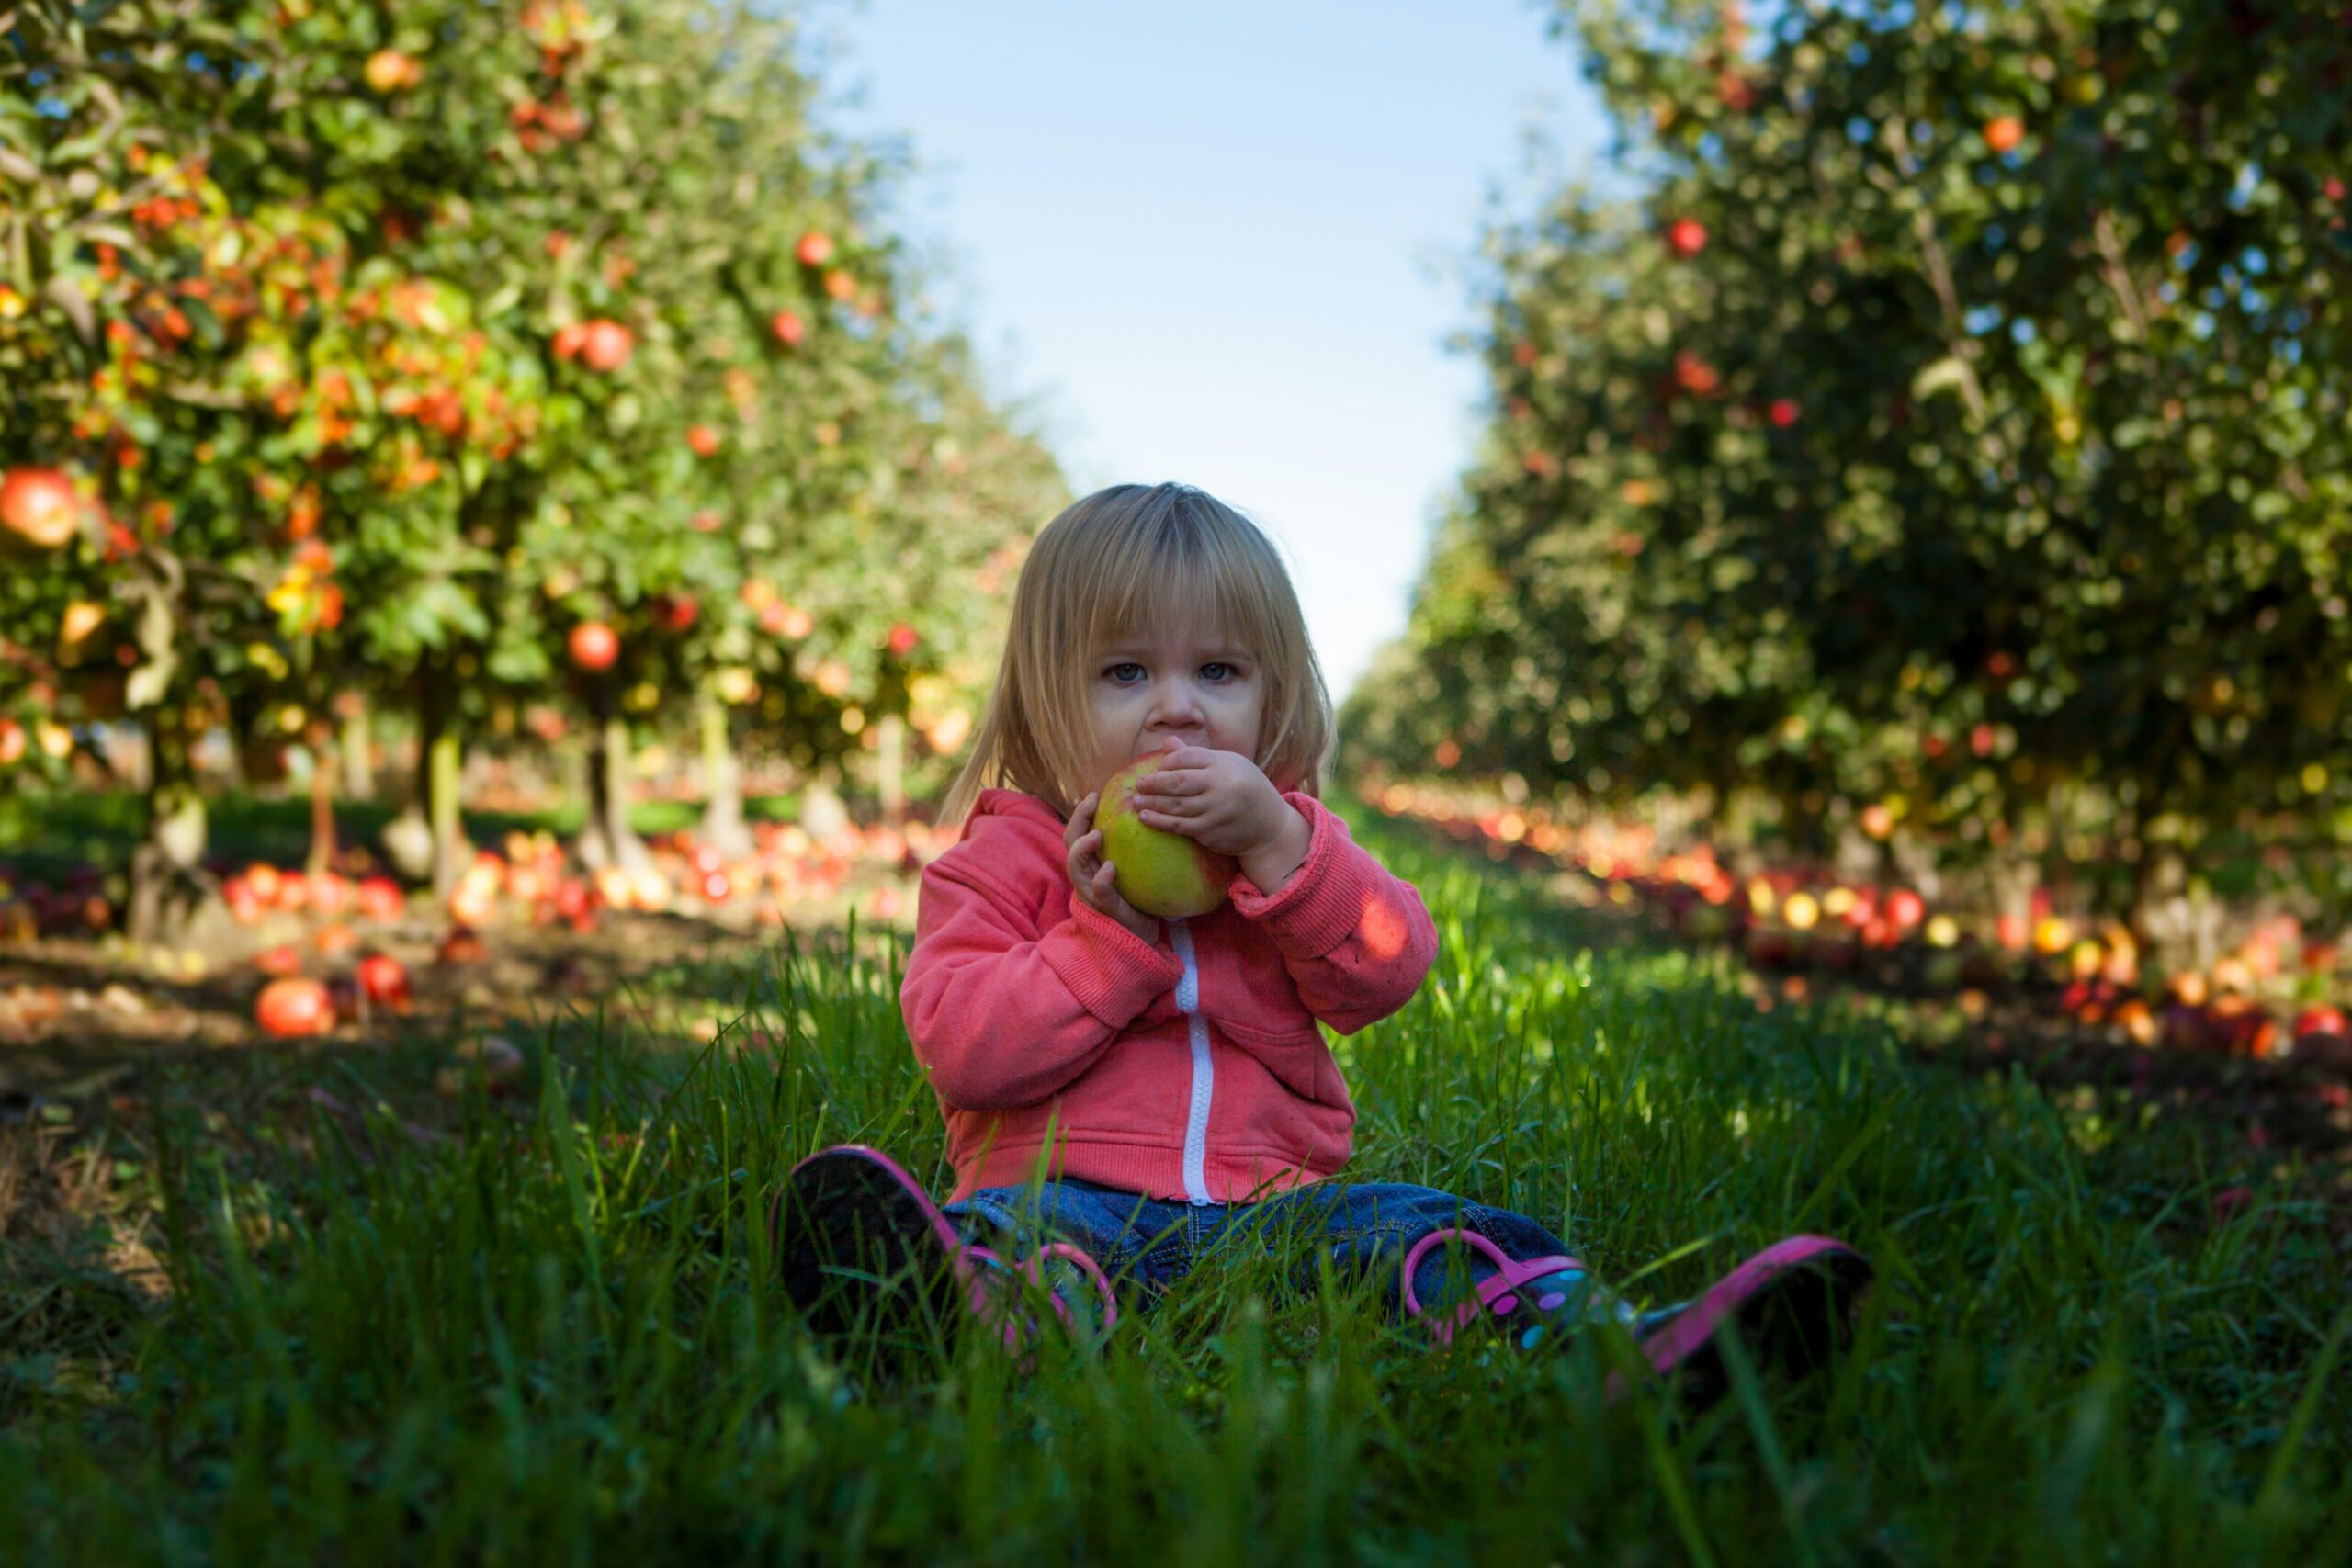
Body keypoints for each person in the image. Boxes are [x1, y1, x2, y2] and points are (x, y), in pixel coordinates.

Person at [772, 481, 1870, 1401]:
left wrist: (1282, 851)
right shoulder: (997, 866)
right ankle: (956, 1317)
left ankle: (1621, 1350)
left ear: (1271, 693)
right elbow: (965, 1050)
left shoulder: (1287, 847)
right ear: (1040, 694)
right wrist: (1106, 941)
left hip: (1276, 1209)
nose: (1176, 712)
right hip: (1062, 1190)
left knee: (1439, 1233)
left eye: (1218, 673)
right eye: (1124, 673)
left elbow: (1388, 970)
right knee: (1017, 1242)